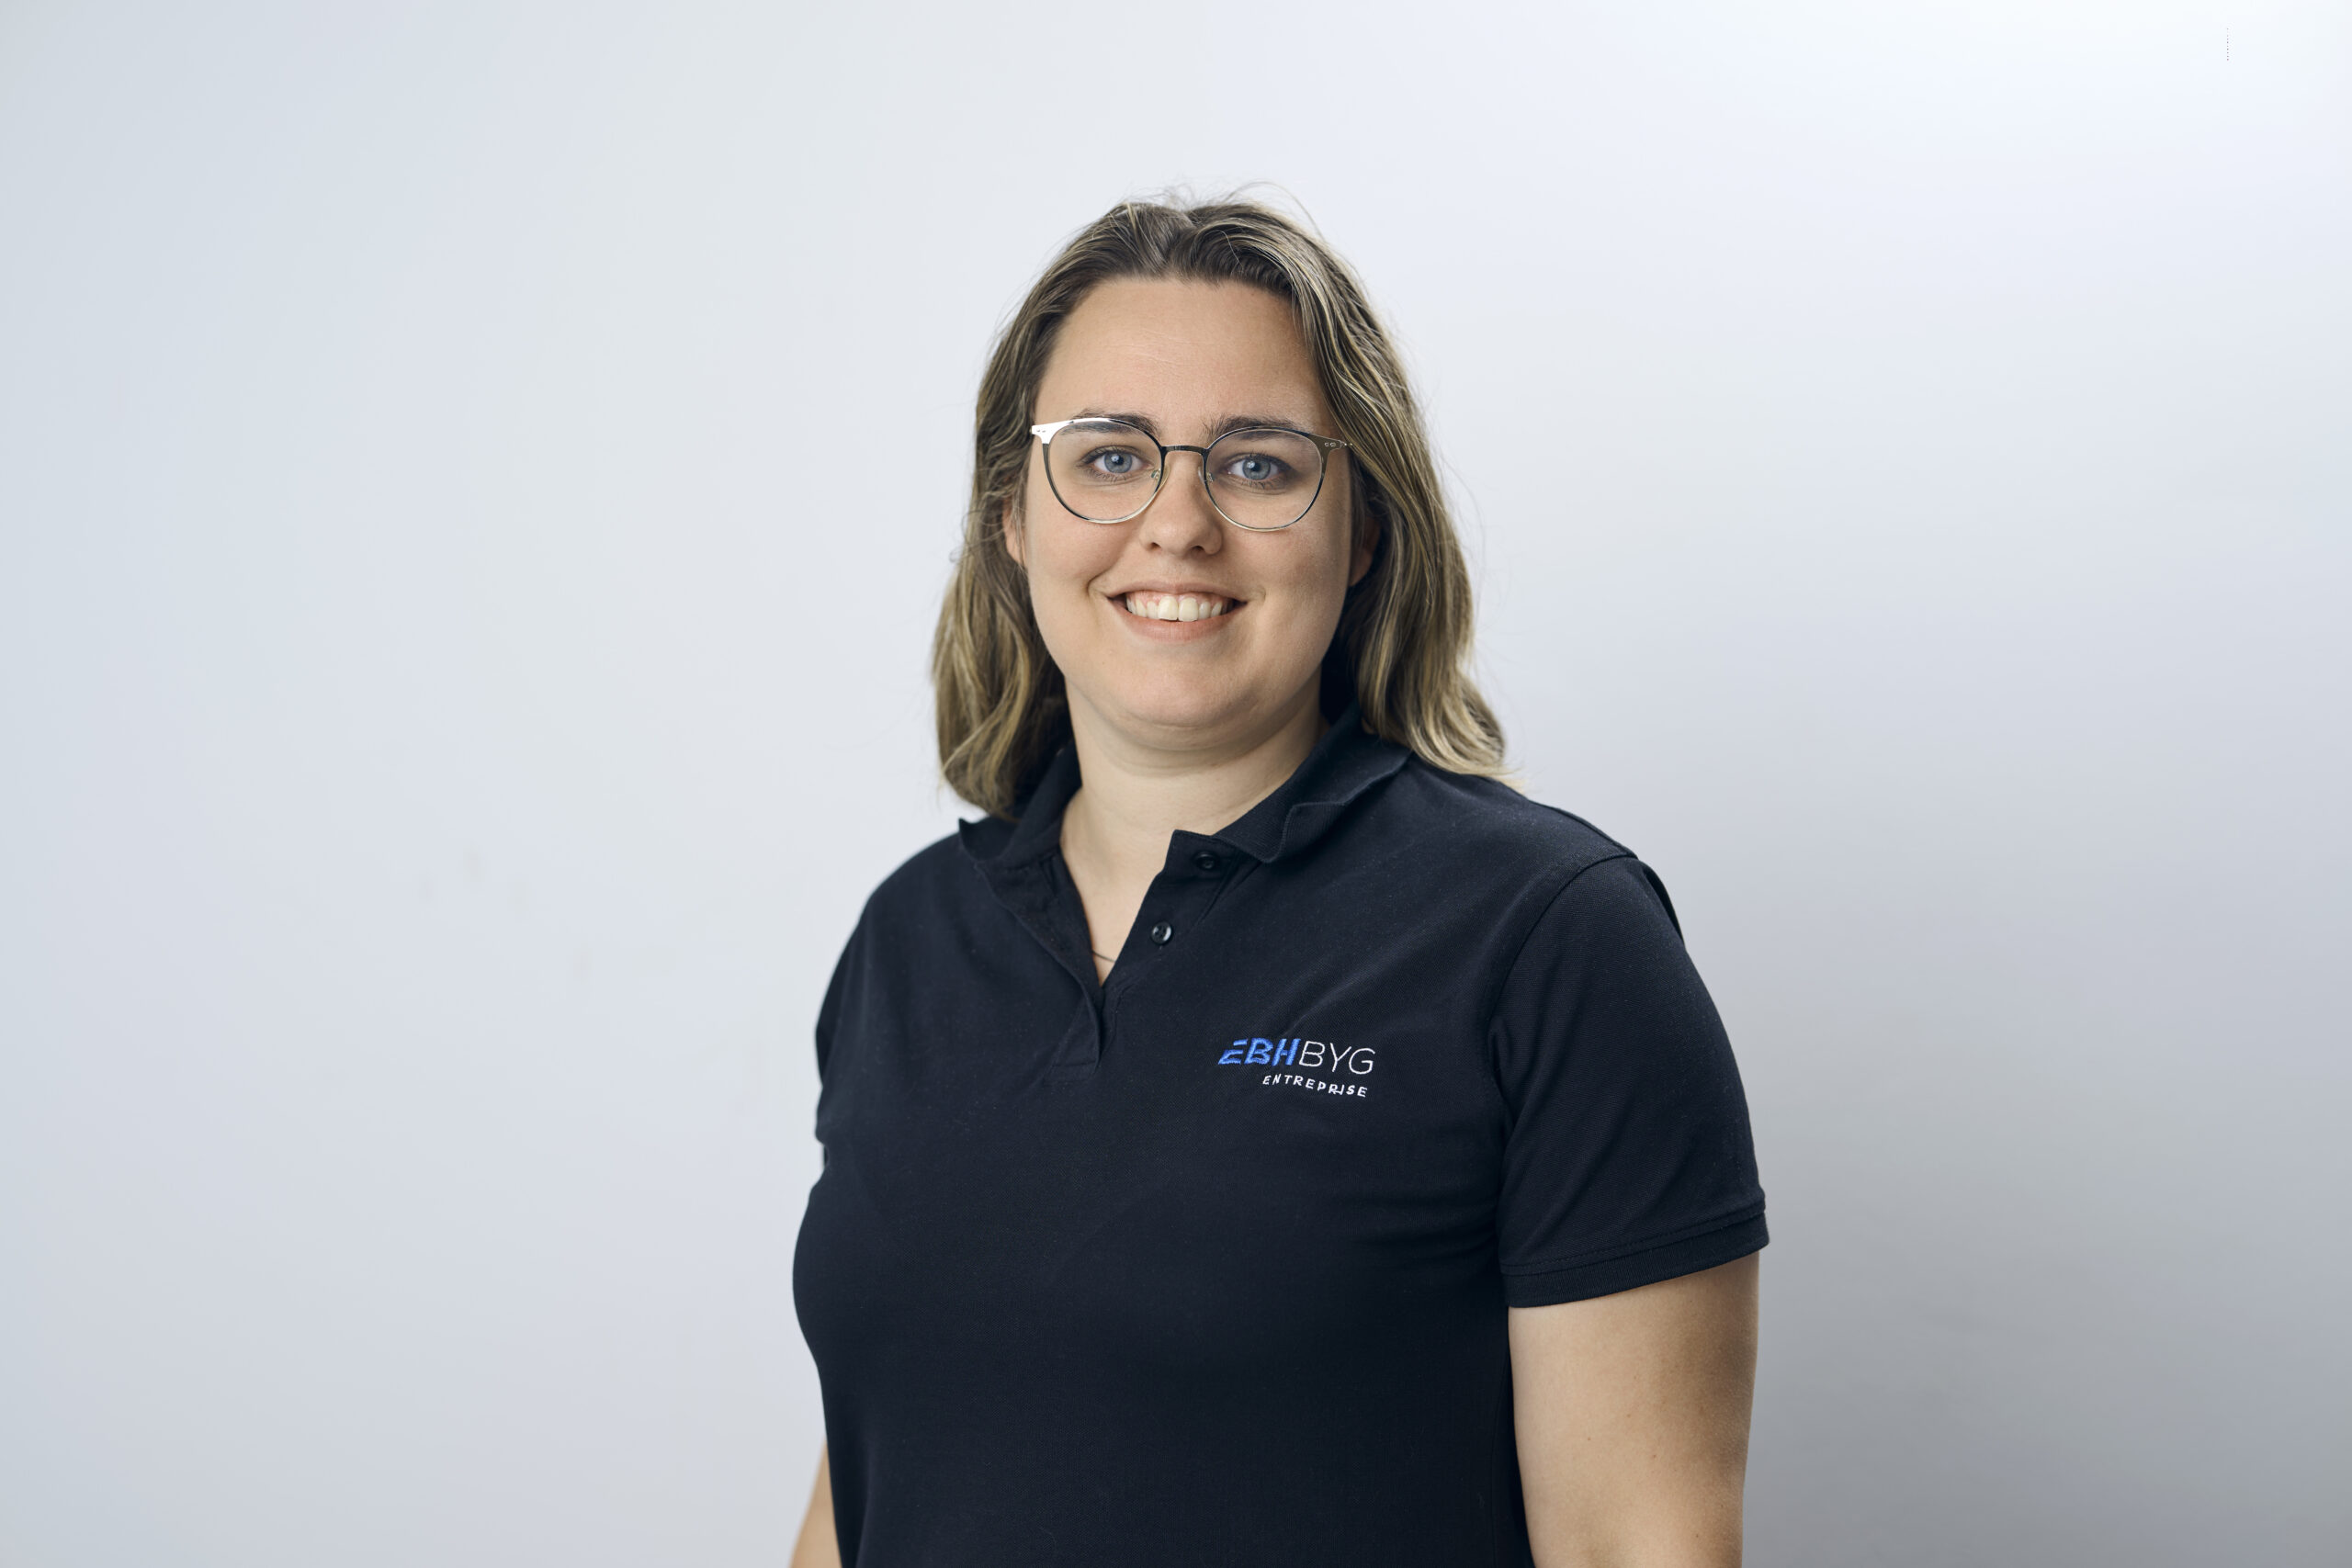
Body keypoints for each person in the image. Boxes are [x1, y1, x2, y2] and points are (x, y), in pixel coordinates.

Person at [789, 197, 1767, 1568]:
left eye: (1257, 465)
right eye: (1109, 457)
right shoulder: (910, 941)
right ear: (1011, 514)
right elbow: (872, 1484)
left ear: (1362, 531)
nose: (1177, 525)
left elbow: (1634, 1546)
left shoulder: (1550, 940)